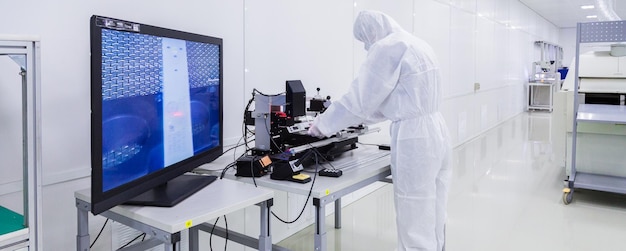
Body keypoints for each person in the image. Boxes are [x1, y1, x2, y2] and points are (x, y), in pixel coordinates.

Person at [308, 10, 452, 251]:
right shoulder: (417, 44)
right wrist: (358, 120)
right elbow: (393, 99)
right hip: (438, 130)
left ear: (370, 32)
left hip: (415, 137)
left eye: (364, 40)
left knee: (414, 209)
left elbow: (360, 100)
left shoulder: (387, 47)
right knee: (435, 204)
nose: (366, 46)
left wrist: (322, 125)